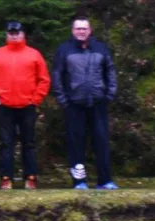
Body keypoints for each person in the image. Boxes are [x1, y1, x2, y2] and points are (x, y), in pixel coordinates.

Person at [52, 16, 118, 190]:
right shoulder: (64, 50)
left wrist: (109, 95)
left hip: (98, 102)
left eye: (84, 28)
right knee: (76, 145)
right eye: (78, 28)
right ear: (73, 31)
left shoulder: (101, 48)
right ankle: (79, 182)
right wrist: (63, 100)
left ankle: (104, 181)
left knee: (102, 142)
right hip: (74, 104)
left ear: (90, 30)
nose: (81, 31)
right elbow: (57, 76)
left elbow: (110, 71)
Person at [0, 21, 50, 190]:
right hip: (4, 106)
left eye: (17, 32)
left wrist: (35, 99)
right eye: (11, 32)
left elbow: (43, 80)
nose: (14, 35)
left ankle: (31, 177)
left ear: (23, 34)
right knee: (6, 143)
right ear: (6, 34)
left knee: (29, 143)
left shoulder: (34, 54)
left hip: (27, 105)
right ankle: (6, 178)